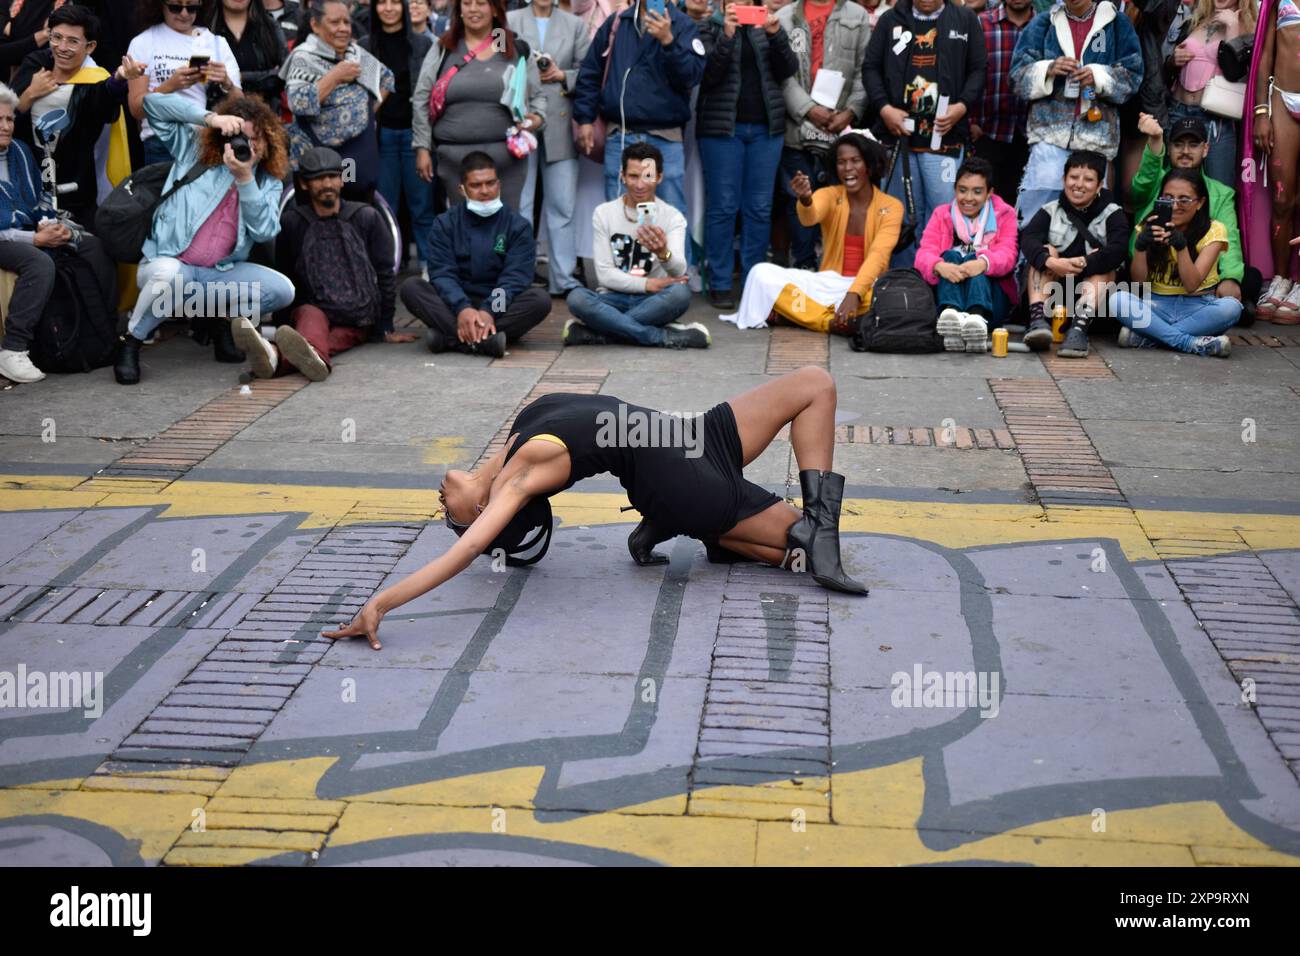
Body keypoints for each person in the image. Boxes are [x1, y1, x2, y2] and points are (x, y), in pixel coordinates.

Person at [321, 365, 869, 649]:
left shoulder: (514, 440)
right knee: (798, 550)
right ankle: (759, 531)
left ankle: (700, 528)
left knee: (815, 383)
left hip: (692, 436)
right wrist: (381, 604)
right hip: (684, 479)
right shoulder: (524, 471)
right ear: (490, 511)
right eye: (455, 513)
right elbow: (465, 552)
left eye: (449, 514)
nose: (444, 506)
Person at [113, 90, 294, 384]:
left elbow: (265, 231)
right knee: (173, 277)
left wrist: (245, 179)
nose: (250, 145)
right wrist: (211, 118)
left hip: (217, 274)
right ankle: (131, 339)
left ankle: (217, 321)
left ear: (270, 139)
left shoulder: (265, 180)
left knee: (282, 290)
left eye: (258, 137)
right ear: (224, 137)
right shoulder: (194, 150)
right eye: (242, 137)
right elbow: (152, 105)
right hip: (167, 266)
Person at [232, 146, 394, 380]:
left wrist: (385, 326)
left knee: (323, 340)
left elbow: (385, 272)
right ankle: (313, 362)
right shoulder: (292, 222)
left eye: (332, 177)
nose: (327, 184)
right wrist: (282, 325)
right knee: (310, 322)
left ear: (341, 181)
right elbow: (285, 274)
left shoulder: (366, 217)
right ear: (305, 184)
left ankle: (275, 357)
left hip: (358, 316)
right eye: (319, 179)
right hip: (314, 309)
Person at [725, 132, 903, 334]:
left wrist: (855, 293)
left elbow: (878, 256)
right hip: (826, 283)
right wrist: (806, 199)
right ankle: (831, 322)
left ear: (869, 165)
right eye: (841, 162)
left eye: (855, 161)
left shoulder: (892, 206)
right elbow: (809, 217)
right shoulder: (829, 194)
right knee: (760, 273)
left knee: (889, 298)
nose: (848, 168)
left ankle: (800, 316)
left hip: (867, 287)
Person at [0, 81, 115, 384]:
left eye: (10, 119)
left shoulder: (20, 151)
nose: (6, 126)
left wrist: (49, 222)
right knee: (39, 262)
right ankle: (13, 349)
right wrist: (34, 239)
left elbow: (39, 195)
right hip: (5, 236)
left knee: (92, 246)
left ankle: (105, 333)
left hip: (25, 226)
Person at [863, 0, 987, 267]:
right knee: (902, 217)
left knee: (944, 214)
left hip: (945, 138)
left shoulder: (964, 19)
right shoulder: (890, 20)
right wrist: (884, 109)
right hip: (899, 138)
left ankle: (941, 283)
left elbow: (978, 70)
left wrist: (961, 106)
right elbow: (870, 68)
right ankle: (906, 289)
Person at [399, 151, 552, 357]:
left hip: (499, 301)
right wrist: (463, 308)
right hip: (456, 302)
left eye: (490, 183)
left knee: (540, 300)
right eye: (476, 185)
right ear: (462, 189)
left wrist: (489, 310)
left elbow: (513, 279)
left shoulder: (517, 226)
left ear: (499, 184)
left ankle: (449, 337)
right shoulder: (445, 223)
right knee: (411, 288)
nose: (485, 190)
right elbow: (443, 274)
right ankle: (486, 341)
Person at [695, 0, 796, 309]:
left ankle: (755, 280)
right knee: (724, 207)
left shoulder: (765, 25)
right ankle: (721, 281)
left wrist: (777, 34)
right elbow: (708, 74)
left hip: (766, 130)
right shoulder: (708, 26)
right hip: (722, 130)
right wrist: (726, 34)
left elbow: (788, 69)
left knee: (760, 208)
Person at [563, 141, 708, 348]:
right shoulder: (604, 213)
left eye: (647, 176)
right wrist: (648, 284)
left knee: (680, 294)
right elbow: (604, 274)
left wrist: (662, 252)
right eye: (633, 176)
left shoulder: (672, 217)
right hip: (612, 298)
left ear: (659, 177)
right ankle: (661, 337)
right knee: (577, 297)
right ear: (622, 175)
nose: (640, 185)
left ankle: (602, 331)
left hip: (652, 300)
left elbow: (679, 270)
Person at [1009, 0, 1143, 224]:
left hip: (1096, 136)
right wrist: (1048, 69)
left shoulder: (1116, 23)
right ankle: (1033, 258)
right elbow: (1017, 78)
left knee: (1093, 213)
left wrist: (1098, 76)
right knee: (1038, 210)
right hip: (1049, 134)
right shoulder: (1043, 23)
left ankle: (1087, 260)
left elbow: (1134, 75)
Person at [571, 0, 706, 219]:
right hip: (621, 135)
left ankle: (671, 256)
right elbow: (590, 72)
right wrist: (585, 118)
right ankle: (625, 256)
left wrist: (668, 41)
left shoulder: (683, 24)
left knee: (669, 218)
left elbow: (692, 76)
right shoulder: (617, 22)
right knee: (619, 217)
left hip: (665, 137)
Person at [12, 4, 141, 229]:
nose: (62, 47)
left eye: (73, 41)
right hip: (25, 183)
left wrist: (120, 78)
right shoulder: (35, 64)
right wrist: (31, 94)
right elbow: (8, 117)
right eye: (57, 37)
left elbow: (103, 96)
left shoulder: (94, 79)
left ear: (89, 47)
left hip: (75, 190)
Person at [411, 0, 545, 212]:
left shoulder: (509, 46)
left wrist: (536, 118)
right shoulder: (445, 48)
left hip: (506, 160)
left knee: (503, 233)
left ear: (494, 9)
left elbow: (537, 96)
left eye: (481, 3)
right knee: (464, 231)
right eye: (467, 3)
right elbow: (421, 98)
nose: (473, 9)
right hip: (455, 162)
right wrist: (422, 148)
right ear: (459, 11)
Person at [775, 0, 870, 271]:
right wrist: (808, 109)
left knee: (842, 204)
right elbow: (781, 76)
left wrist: (851, 111)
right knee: (799, 202)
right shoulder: (784, 17)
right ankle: (803, 268)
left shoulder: (857, 14)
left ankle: (837, 271)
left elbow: (866, 69)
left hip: (842, 133)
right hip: (797, 129)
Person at [1109, 168, 1240, 355]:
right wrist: (1140, 247)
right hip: (1156, 305)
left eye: (1184, 200)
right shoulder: (1149, 226)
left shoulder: (1215, 230)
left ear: (1200, 203)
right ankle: (1189, 343)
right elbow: (1139, 282)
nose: (1175, 205)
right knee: (1117, 299)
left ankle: (1149, 337)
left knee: (1231, 307)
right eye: (1168, 198)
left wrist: (1181, 247)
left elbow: (1192, 284)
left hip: (1198, 306)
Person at [507, 0, 589, 295]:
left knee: (562, 206)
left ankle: (563, 279)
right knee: (519, 206)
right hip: (518, 122)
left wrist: (561, 75)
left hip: (561, 123)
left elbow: (589, 72)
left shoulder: (576, 25)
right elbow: (492, 62)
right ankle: (519, 276)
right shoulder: (508, 20)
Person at [1018, 148, 1128, 358]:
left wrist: (1086, 262)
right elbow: (1028, 239)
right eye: (1073, 177)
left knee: (1105, 263)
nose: (1078, 184)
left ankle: (1079, 330)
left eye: (1088, 179)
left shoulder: (1114, 213)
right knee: (1044, 252)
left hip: (1095, 302)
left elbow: (1119, 250)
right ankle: (1037, 322)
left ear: (1099, 185)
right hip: (1053, 295)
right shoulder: (1050, 210)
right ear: (1063, 179)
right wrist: (1051, 262)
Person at [282, 0, 394, 200]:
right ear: (315, 25)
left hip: (357, 153)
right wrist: (335, 76)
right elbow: (299, 104)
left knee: (357, 211)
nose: (343, 28)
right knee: (325, 209)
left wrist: (366, 113)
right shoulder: (303, 58)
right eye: (335, 22)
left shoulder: (356, 54)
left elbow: (387, 79)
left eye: (346, 22)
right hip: (320, 156)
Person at [1130, 114, 1247, 305]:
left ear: (1206, 149)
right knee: (1119, 298)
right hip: (1152, 270)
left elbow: (1230, 239)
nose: (1185, 151)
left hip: (1196, 275)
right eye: (1178, 144)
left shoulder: (1221, 192)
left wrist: (1231, 278)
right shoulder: (1155, 182)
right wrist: (1155, 140)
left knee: (1246, 282)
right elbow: (1144, 179)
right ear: (1169, 148)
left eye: (1193, 145)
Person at [914, 156, 1019, 351]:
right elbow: (923, 254)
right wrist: (938, 266)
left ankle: (976, 318)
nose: (968, 198)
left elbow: (1008, 254)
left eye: (977, 192)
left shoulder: (1005, 214)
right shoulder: (941, 214)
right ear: (955, 190)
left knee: (975, 257)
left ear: (989, 193)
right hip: (949, 295)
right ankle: (950, 316)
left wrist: (982, 263)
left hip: (990, 302)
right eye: (962, 190)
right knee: (950, 257)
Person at [360, 0, 434, 273]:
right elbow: (367, 95)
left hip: (416, 133)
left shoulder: (422, 44)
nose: (388, 8)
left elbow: (429, 92)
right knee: (385, 205)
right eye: (382, 3)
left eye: (394, 2)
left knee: (422, 204)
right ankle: (388, 263)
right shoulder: (366, 45)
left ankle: (429, 264)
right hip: (382, 134)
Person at [128, 0, 242, 166]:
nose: (184, 14)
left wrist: (227, 83)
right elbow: (136, 109)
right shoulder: (144, 42)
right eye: (175, 7)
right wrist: (170, 86)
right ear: (161, 5)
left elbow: (240, 104)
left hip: (204, 139)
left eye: (192, 8)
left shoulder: (216, 43)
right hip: (161, 141)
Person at [1244, 0, 1300, 321]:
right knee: (1282, 198)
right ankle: (1280, 279)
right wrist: (1261, 111)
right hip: (1282, 97)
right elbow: (1265, 53)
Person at [1165, 0, 1255, 190]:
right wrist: (1173, 61)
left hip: (1216, 120)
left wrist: (1232, 28)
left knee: (1218, 186)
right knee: (1173, 183)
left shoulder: (1248, 25)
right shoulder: (1194, 20)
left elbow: (1235, 73)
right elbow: (1164, 73)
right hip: (1178, 112)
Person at [969, 0, 1033, 205]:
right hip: (987, 130)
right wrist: (969, 121)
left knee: (1023, 207)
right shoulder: (981, 24)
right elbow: (963, 72)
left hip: (1030, 133)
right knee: (986, 205)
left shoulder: (1045, 25)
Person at [206, 0, 289, 105]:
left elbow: (285, 73)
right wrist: (266, 75)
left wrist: (237, 77)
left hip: (265, 114)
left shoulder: (270, 26)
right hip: (214, 114)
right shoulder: (205, 27)